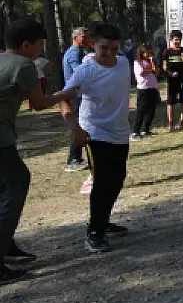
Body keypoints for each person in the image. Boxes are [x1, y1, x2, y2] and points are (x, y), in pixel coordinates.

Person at [0, 19, 71, 283]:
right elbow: (39, 104)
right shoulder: (23, 65)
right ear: (25, 44)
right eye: (39, 44)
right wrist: (64, 94)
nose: (41, 48)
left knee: (4, 189)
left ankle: (6, 246)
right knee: (17, 183)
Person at [60, 23, 134, 254]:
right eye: (105, 49)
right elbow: (64, 100)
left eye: (115, 48)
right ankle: (94, 232)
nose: (111, 54)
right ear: (93, 45)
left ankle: (103, 219)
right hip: (95, 131)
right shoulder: (86, 70)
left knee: (118, 178)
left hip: (120, 131)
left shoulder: (123, 63)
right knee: (102, 181)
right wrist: (76, 130)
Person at [62, 27, 92, 170]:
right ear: (75, 38)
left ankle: (78, 157)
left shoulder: (80, 52)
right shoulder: (74, 53)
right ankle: (73, 159)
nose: (86, 40)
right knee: (79, 125)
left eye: (87, 37)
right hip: (74, 94)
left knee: (82, 124)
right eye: (84, 37)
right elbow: (80, 72)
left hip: (78, 93)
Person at [161, 29, 183, 131]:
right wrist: (170, 73)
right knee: (171, 102)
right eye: (176, 39)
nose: (177, 41)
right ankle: (171, 124)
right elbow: (164, 66)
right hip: (172, 80)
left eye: (179, 39)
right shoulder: (167, 51)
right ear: (171, 40)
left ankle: (182, 122)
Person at [131, 43, 160, 140]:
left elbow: (157, 72)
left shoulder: (150, 62)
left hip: (152, 88)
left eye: (150, 52)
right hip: (143, 89)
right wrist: (150, 70)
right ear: (141, 53)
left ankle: (146, 130)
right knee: (141, 111)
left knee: (151, 110)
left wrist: (152, 63)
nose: (149, 54)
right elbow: (142, 72)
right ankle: (135, 132)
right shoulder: (137, 62)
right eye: (146, 52)